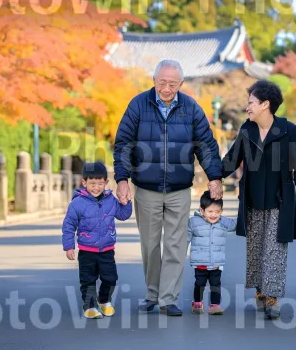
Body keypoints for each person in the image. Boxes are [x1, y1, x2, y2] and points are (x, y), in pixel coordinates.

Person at [113, 59, 223, 317]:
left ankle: (168, 298)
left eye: (172, 84)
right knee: (150, 245)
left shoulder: (191, 108)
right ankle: (152, 293)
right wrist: (121, 179)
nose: (166, 88)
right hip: (147, 188)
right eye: (162, 82)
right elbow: (123, 143)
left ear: (181, 84)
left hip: (179, 188)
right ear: (154, 81)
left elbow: (205, 144)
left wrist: (214, 177)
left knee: (176, 244)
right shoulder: (138, 104)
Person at [222, 80, 296, 320]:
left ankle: (273, 298)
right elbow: (231, 160)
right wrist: (213, 177)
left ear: (265, 104)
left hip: (280, 199)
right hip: (251, 197)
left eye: (251, 103)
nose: (247, 107)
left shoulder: (289, 130)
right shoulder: (247, 130)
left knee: (275, 248)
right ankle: (261, 290)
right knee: (257, 248)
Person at [61, 162, 133, 319]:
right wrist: (69, 246)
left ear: (106, 182)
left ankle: (104, 300)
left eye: (100, 183)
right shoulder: (77, 203)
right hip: (87, 251)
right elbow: (68, 225)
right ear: (84, 182)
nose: (96, 187)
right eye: (92, 183)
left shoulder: (111, 200)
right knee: (88, 280)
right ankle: (90, 306)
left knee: (111, 278)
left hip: (107, 250)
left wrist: (126, 203)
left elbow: (123, 215)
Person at [187, 191, 237, 315]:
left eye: (218, 212)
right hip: (200, 261)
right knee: (200, 283)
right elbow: (186, 237)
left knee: (216, 284)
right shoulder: (193, 222)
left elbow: (234, 225)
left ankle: (215, 305)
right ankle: (197, 303)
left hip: (216, 261)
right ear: (202, 210)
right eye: (210, 212)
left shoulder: (223, 222)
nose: (214, 215)